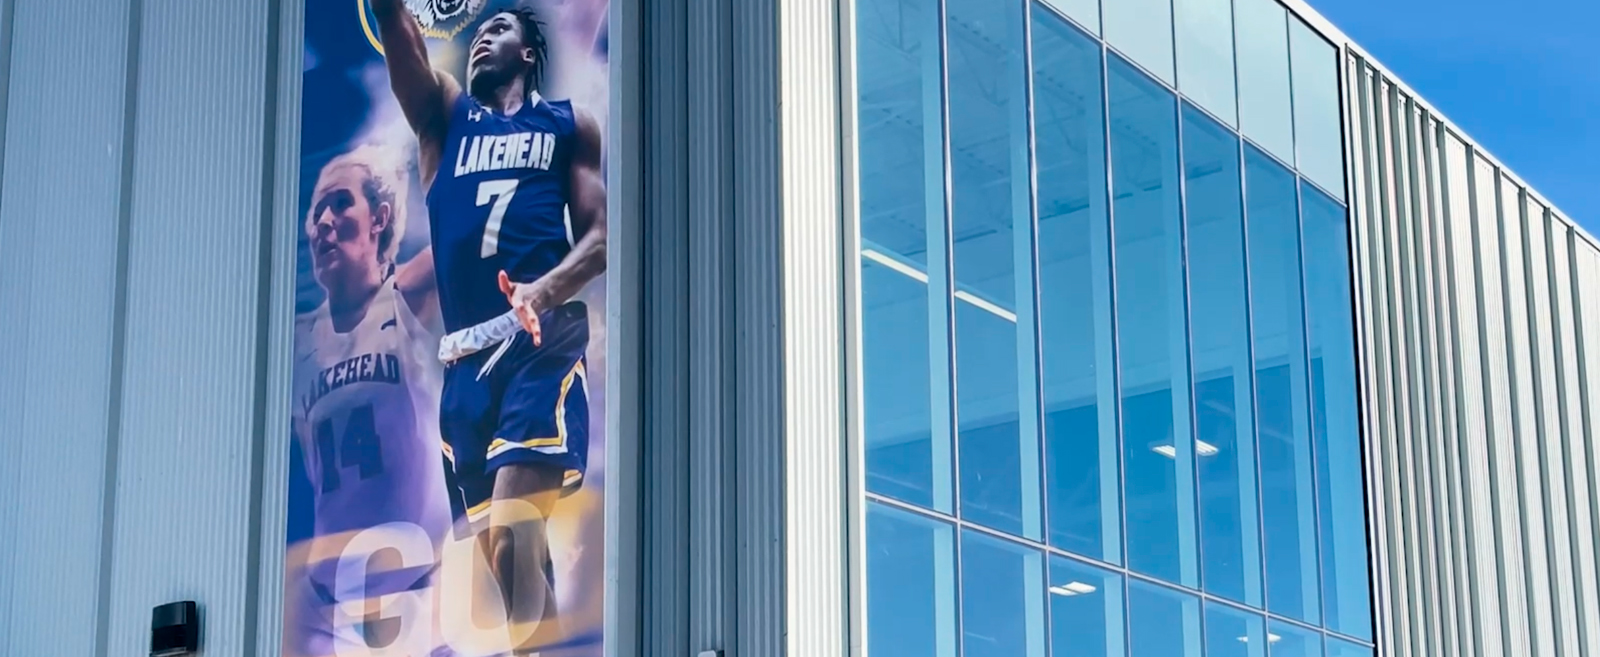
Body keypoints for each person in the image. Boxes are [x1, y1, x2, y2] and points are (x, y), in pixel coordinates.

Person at [372, 1, 608, 651]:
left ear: (529, 53)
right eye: (477, 30)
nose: (482, 39)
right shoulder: (444, 120)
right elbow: (401, 41)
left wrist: (544, 288)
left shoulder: (568, 126)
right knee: (509, 570)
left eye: (498, 29)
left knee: (512, 531)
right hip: (466, 366)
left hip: (540, 340)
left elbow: (600, 238)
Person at [287, 145, 452, 657]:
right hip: (329, 604)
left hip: (424, 591)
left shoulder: (410, 293)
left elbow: (477, 235)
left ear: (379, 218)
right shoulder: (294, 342)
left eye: (340, 204)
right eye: (316, 212)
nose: (324, 223)